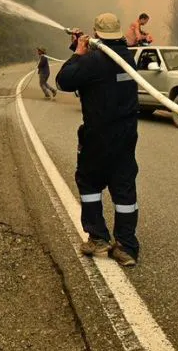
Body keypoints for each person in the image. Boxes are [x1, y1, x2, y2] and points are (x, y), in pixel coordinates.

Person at [56, 13, 141, 267]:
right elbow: (104, 70)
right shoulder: (127, 59)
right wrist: (81, 47)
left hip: (98, 138)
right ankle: (126, 246)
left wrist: (78, 53)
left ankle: (98, 238)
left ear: (97, 34)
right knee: (124, 188)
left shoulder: (92, 61)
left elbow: (64, 80)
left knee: (90, 184)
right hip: (126, 138)